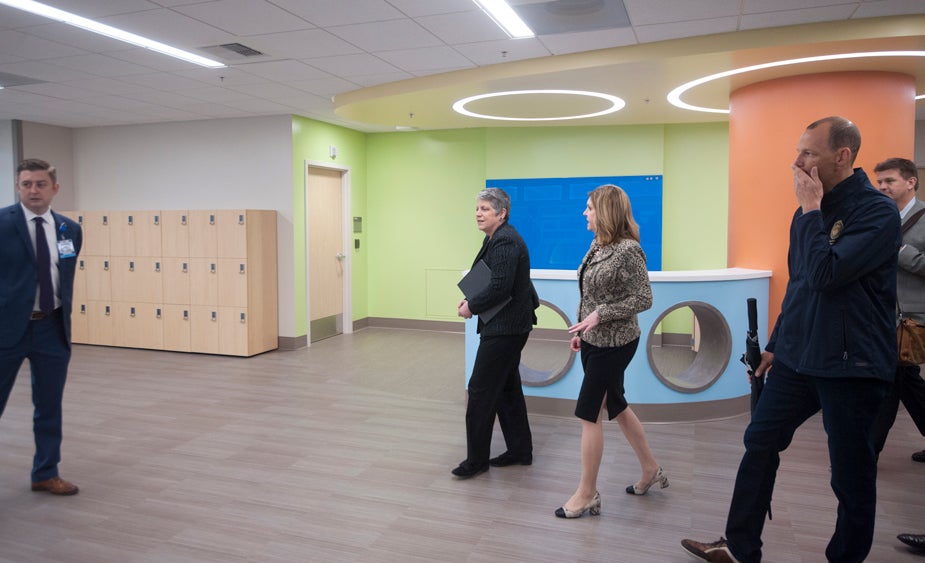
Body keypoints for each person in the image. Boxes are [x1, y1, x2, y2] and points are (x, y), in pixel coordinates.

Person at [681, 116, 901, 563]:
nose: (796, 162)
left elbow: (825, 274)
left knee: (851, 473)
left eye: (808, 153)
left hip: (851, 365)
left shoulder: (877, 212)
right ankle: (740, 547)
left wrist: (811, 211)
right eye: (799, 150)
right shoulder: (811, 210)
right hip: (799, 358)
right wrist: (778, 343)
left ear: (842, 156)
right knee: (759, 442)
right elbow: (800, 284)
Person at [555, 184, 666, 519]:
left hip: (616, 343)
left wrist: (598, 316)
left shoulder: (628, 250)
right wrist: (581, 327)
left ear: (604, 211)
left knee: (589, 413)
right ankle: (651, 469)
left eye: (589, 208)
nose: (584, 213)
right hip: (593, 340)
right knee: (615, 404)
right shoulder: (598, 245)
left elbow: (644, 299)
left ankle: (587, 493)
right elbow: (588, 292)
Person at [0, 158, 83, 495]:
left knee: (49, 405)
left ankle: (45, 472)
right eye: (26, 184)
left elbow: (63, 275)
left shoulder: (69, 229)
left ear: (54, 188)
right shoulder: (2, 224)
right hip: (6, 330)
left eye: (40, 184)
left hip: (51, 327)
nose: (33, 190)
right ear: (18, 187)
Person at [453, 188, 538, 479]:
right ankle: (520, 450)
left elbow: (500, 287)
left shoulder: (505, 241)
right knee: (506, 389)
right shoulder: (497, 238)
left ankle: (476, 460)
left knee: (479, 390)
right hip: (507, 326)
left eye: (486, 209)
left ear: (502, 213)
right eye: (477, 208)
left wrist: (471, 306)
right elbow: (492, 279)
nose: (478, 213)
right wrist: (471, 299)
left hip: (507, 328)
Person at [869, 157, 925, 459]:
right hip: (882, 317)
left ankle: (867, 452)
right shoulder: (880, 217)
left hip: (912, 320)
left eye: (889, 181)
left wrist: (900, 250)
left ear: (910, 182)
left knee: (889, 384)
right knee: (907, 382)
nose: (882, 187)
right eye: (879, 182)